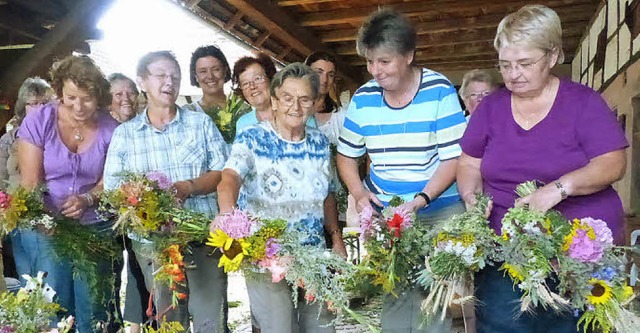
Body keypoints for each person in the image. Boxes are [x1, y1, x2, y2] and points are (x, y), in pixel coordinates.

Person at [457, 5, 628, 333]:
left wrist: (558, 189)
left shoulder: (583, 102)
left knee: (576, 326)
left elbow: (613, 162)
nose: (513, 74)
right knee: (501, 325)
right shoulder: (491, 108)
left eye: (524, 63)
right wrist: (470, 194)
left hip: (580, 250)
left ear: (552, 57)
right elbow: (468, 162)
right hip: (505, 250)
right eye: (505, 65)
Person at [336, 10, 467, 332]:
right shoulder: (364, 98)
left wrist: (420, 200)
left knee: (432, 294)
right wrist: (359, 193)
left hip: (438, 207)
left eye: (384, 61)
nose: (375, 71)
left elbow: (454, 159)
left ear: (408, 55)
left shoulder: (439, 90)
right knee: (392, 288)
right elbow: (346, 156)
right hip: (385, 210)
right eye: (369, 62)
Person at [103, 51, 229, 332]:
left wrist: (189, 187)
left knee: (211, 319)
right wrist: (142, 205)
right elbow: (114, 191)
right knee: (170, 319)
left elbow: (223, 173)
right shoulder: (125, 134)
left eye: (175, 76)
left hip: (202, 236)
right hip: (153, 245)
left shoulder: (200, 124)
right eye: (160, 75)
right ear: (142, 81)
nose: (169, 82)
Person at [215, 63, 344, 333]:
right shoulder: (253, 138)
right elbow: (230, 178)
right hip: (266, 254)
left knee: (322, 327)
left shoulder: (319, 143)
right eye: (287, 98)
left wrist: (336, 239)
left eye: (304, 99)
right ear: (274, 100)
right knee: (279, 328)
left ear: (313, 103)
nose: (295, 106)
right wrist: (228, 216)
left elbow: (328, 195)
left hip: (313, 255)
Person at [16, 55, 120, 331]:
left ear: (98, 96)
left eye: (87, 99)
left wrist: (88, 199)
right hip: (47, 224)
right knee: (55, 304)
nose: (78, 106)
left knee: (95, 306)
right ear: (60, 90)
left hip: (95, 226)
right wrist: (48, 221)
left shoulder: (111, 128)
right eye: (71, 97)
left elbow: (110, 180)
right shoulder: (40, 121)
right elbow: (30, 185)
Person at [0, 77, 53, 294]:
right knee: (25, 276)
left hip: (48, 216)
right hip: (17, 217)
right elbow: (1, 177)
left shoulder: (57, 135)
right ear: (23, 106)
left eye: (44, 103)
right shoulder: (8, 139)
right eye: (33, 103)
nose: (39, 108)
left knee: (47, 277)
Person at [106, 72, 149, 333]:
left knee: (138, 272)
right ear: (107, 99)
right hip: (107, 216)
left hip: (141, 214)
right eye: (118, 94)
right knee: (110, 274)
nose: (126, 98)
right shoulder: (102, 128)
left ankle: (138, 325)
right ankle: (112, 325)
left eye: (130, 92)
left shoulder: (145, 127)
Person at [184, 45, 250, 143]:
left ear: (225, 70)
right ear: (195, 75)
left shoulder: (242, 109)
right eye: (203, 71)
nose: (210, 76)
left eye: (216, 69)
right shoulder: (188, 113)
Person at [232, 53, 278, 134]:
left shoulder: (293, 113)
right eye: (245, 83)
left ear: (270, 79)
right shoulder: (242, 124)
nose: (252, 87)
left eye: (257, 79)